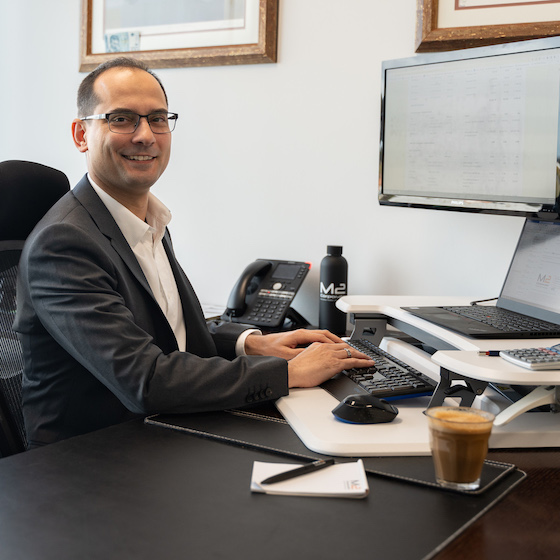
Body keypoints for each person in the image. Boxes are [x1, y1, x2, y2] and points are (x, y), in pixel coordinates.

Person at [14, 57, 374, 448]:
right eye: (121, 119)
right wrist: (289, 374)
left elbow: (168, 336)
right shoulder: (64, 244)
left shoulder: (147, 221)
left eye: (157, 118)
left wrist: (251, 344)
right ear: (81, 135)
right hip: (92, 463)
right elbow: (146, 380)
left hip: (162, 435)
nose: (145, 135)